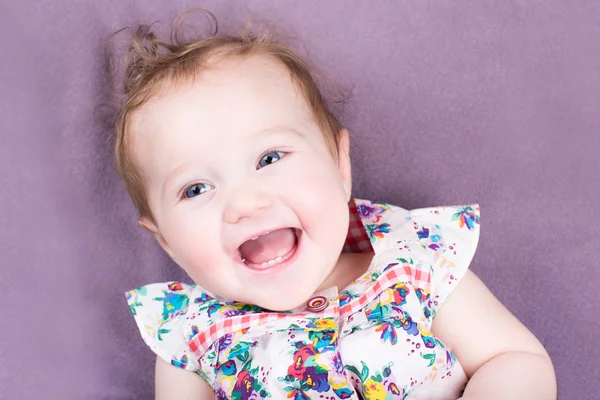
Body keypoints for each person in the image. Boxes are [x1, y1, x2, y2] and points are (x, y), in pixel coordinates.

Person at [117, 11, 556, 400]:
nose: (245, 203)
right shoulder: (190, 334)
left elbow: (514, 359)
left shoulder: (412, 262)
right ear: (167, 243)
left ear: (339, 164)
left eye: (269, 158)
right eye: (195, 189)